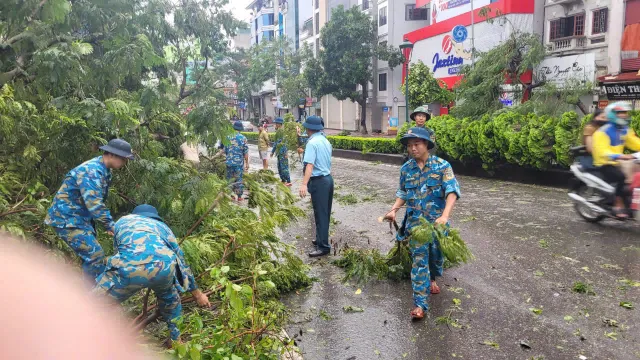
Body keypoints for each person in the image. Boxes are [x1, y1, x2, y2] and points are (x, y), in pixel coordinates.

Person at [94, 204, 211, 345]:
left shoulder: (123, 221)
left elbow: (118, 253)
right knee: (171, 299)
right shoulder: (164, 228)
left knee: (95, 302)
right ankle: (176, 340)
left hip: (130, 268)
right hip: (164, 268)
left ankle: (95, 337)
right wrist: (198, 295)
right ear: (155, 217)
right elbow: (182, 263)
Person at [384, 127, 461, 320]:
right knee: (419, 261)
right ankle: (420, 305)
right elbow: (402, 193)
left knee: (435, 256)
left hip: (436, 224)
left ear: (426, 144)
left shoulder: (442, 166)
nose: (413, 148)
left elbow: (452, 192)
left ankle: (433, 276)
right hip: (415, 225)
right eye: (410, 145)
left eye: (416, 144)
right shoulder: (406, 169)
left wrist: (444, 216)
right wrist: (393, 210)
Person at [45, 138, 135, 280]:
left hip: (79, 219)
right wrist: (111, 226)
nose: (125, 163)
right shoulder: (92, 171)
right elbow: (94, 204)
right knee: (95, 256)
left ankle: (86, 293)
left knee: (90, 257)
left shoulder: (104, 170)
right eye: (123, 159)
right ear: (111, 155)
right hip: (67, 219)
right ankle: (91, 297)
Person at [592, 101, 640, 218]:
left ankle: (631, 202)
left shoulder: (625, 129)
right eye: (619, 112)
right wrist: (619, 156)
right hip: (604, 163)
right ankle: (617, 205)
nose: (623, 115)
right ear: (612, 114)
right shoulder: (602, 132)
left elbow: (636, 143)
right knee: (621, 178)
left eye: (624, 112)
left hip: (619, 162)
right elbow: (602, 151)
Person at [298, 116, 334, 258]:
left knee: (321, 214)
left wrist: (303, 184)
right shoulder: (325, 141)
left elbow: (310, 165)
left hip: (319, 181)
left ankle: (323, 247)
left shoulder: (312, 143)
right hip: (328, 180)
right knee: (323, 213)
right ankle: (320, 239)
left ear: (308, 128)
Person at [220, 121, 250, 201]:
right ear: (240, 129)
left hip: (229, 163)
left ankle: (231, 196)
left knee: (229, 179)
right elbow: (245, 152)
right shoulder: (243, 138)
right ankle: (239, 197)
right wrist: (247, 163)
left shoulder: (228, 137)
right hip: (238, 164)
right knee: (238, 179)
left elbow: (225, 151)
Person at [271, 117, 292, 186]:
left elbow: (285, 143)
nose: (275, 125)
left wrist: (286, 153)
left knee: (284, 167)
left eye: (276, 123)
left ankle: (288, 181)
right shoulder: (278, 132)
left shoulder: (283, 132)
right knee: (279, 166)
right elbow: (276, 143)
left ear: (279, 124)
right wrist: (272, 151)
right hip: (279, 153)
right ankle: (283, 180)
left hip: (283, 153)